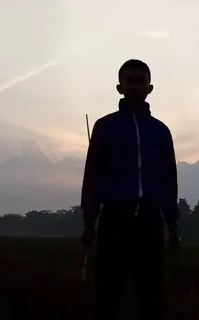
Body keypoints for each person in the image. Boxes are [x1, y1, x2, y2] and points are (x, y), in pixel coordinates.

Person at [80, 59, 181, 320]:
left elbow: (169, 178)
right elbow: (92, 175)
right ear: (119, 87)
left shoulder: (160, 131)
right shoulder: (105, 127)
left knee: (151, 295)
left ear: (150, 87)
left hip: (150, 221)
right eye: (130, 81)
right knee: (107, 294)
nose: (136, 85)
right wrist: (90, 220)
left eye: (141, 81)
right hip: (115, 219)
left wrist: (173, 224)